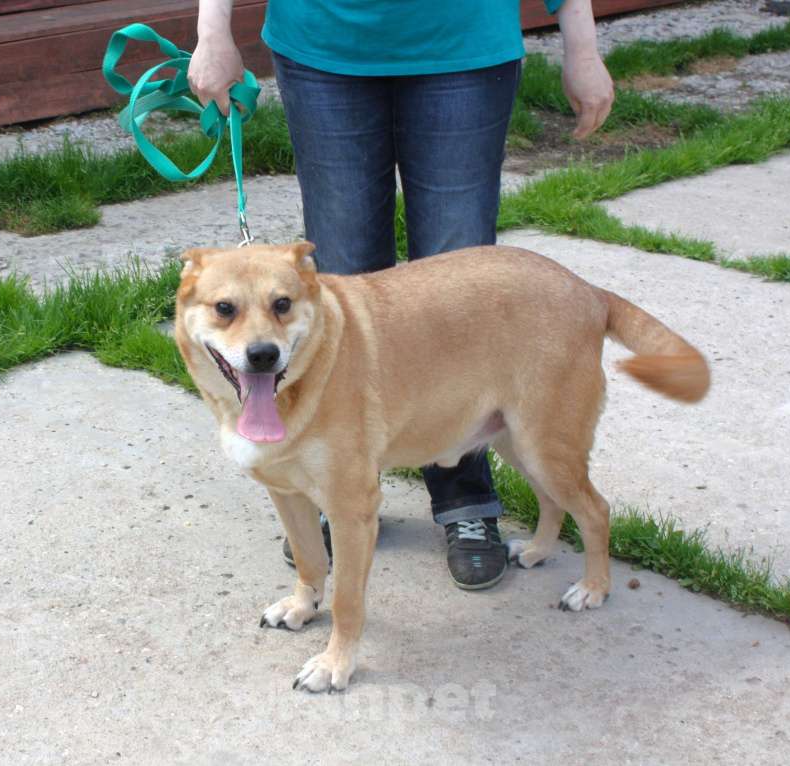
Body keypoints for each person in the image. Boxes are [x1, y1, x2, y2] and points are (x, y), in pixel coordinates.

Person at [188, 0, 614, 590]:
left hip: (462, 40)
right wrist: (212, 30)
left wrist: (583, 47)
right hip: (325, 45)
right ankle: (340, 489)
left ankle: (464, 501)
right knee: (340, 296)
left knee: (463, 304)